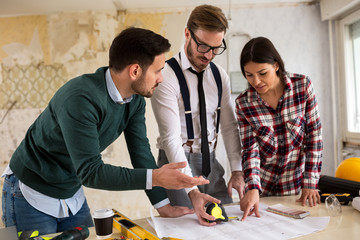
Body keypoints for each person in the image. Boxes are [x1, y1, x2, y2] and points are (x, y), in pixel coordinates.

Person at [1, 27, 210, 235]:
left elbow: (141, 153)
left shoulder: (135, 99)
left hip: (70, 191)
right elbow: (91, 172)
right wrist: (156, 177)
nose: (161, 78)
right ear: (135, 71)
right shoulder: (80, 99)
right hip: (30, 190)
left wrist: (163, 205)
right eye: (157, 70)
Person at [151, 5, 244, 226]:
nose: (209, 55)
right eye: (203, 46)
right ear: (187, 34)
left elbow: (229, 126)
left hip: (210, 161)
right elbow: (171, 138)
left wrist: (238, 171)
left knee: (224, 224)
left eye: (216, 47)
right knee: (184, 227)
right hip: (176, 161)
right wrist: (191, 189)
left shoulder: (219, 75)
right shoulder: (165, 75)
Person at [235, 36, 323, 221]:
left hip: (297, 189)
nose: (256, 81)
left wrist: (311, 182)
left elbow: (314, 137)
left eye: (262, 73)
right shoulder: (244, 103)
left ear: (275, 65)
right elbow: (250, 151)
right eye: (249, 75)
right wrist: (252, 188)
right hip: (263, 190)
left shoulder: (302, 86)